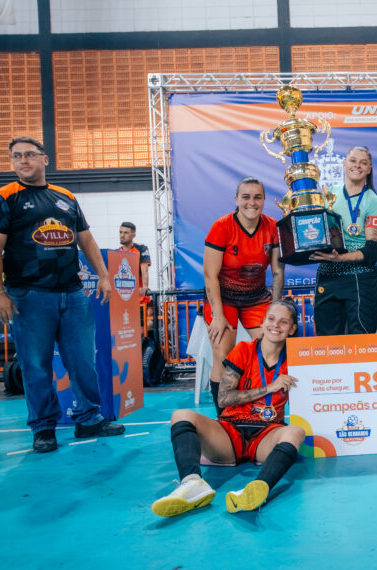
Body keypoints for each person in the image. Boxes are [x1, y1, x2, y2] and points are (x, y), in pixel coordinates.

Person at [0, 136, 125, 453]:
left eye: (29, 154)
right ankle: (43, 427)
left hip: (72, 294)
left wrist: (103, 275)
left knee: (83, 362)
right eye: (16, 156)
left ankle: (89, 419)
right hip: (28, 295)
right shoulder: (3, 198)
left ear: (45, 159)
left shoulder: (66, 197)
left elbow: (86, 239)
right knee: (36, 366)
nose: (23, 160)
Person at [152, 300, 305, 517]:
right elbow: (223, 398)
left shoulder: (298, 359)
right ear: (262, 322)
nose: (275, 325)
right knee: (181, 415)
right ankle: (192, 484)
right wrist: (270, 387)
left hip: (267, 434)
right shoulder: (244, 350)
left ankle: (259, 488)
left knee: (295, 432)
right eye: (271, 319)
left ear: (292, 329)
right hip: (229, 432)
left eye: (283, 322)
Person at [204, 176, 284, 416]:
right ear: (236, 199)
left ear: (264, 200)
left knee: (271, 348)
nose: (252, 202)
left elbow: (277, 272)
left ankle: (265, 412)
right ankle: (223, 418)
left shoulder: (273, 227)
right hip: (223, 297)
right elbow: (210, 275)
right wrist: (218, 316)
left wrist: (275, 308)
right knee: (223, 356)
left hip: (256, 297)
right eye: (246, 197)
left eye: (257, 197)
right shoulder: (222, 226)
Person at [310, 146, 377, 336]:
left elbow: (374, 249)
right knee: (325, 341)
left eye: (363, 162)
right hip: (328, 275)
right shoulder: (327, 195)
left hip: (360, 277)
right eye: (353, 160)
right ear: (344, 164)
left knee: (361, 340)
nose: (357, 166)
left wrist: (340, 259)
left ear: (369, 169)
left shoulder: (374, 202)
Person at [118, 222, 152, 303]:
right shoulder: (116, 252)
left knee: (149, 308)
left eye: (126, 233)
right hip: (122, 296)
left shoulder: (141, 249)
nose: (122, 235)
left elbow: (145, 270)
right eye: (120, 232)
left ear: (133, 235)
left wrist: (145, 287)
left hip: (139, 296)